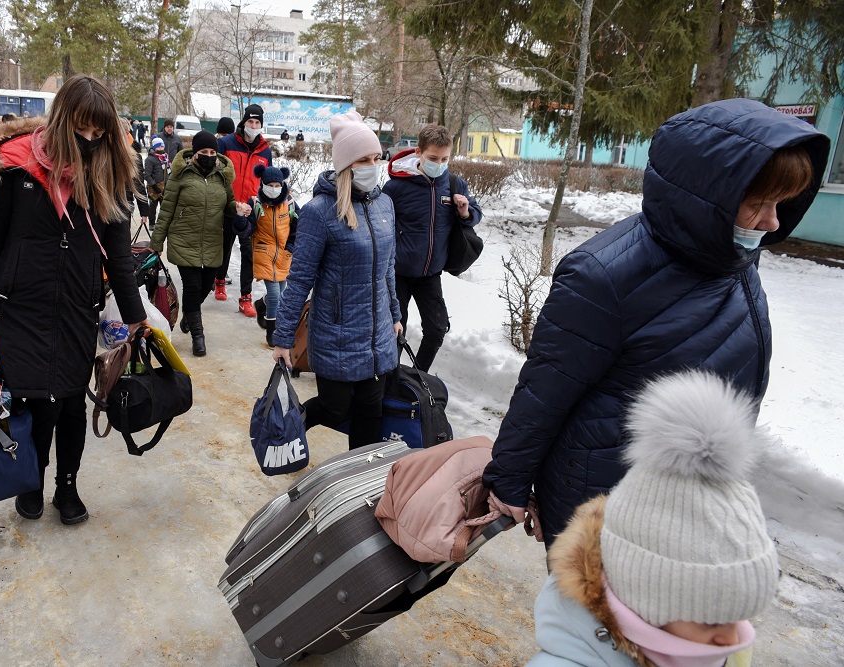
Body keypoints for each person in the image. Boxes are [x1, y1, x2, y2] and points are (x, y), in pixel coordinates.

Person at [482, 98, 830, 546]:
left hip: (686, 496)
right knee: (589, 616)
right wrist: (509, 481)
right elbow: (544, 393)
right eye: (759, 203)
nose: (772, 221)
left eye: (781, 202)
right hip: (606, 503)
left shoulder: (732, 257)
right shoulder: (602, 276)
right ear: (705, 197)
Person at [0, 75, 150, 526]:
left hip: (75, 306)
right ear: (63, 121)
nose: (89, 141)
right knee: (32, 402)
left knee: (68, 403)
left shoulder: (111, 172)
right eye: (81, 131)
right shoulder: (13, 167)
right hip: (18, 306)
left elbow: (120, 256)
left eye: (98, 133)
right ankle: (30, 479)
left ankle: (67, 485)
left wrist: (135, 317)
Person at [526, 370, 779, 667]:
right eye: (710, 622)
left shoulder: (720, 646)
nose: (733, 639)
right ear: (645, 598)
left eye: (740, 617)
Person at [272, 111, 402, 450]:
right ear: (346, 164)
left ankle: (360, 479)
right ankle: (289, 431)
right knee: (334, 407)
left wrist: (396, 315)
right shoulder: (320, 211)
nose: (373, 165)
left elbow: (388, 267)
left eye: (376, 158)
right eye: (364, 159)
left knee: (370, 411)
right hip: (336, 333)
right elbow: (299, 280)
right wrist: (283, 338)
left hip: (377, 334)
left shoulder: (385, 205)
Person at [383, 123, 482, 371]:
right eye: (433, 158)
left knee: (437, 331)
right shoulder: (396, 186)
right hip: (399, 273)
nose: (439, 163)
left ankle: (418, 377)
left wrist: (465, 210)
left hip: (431, 274)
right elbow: (382, 222)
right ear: (418, 152)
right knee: (395, 330)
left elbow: (476, 214)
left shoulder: (454, 184)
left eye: (445, 158)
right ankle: (389, 380)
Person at [151, 131, 248, 356]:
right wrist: (157, 242)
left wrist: (238, 208)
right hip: (184, 239)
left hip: (213, 241)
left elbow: (229, 203)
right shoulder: (180, 175)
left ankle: (189, 316)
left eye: (213, 152)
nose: (208, 156)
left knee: (205, 286)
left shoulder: (222, 176)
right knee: (193, 287)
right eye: (203, 152)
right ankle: (198, 336)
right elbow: (166, 210)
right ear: (195, 153)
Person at [233, 165, 298, 347]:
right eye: (270, 184)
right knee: (275, 294)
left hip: (284, 255)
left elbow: (296, 226)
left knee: (282, 294)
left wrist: (292, 245)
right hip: (264, 254)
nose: (274, 188)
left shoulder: (291, 203)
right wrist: (239, 217)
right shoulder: (256, 203)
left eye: (278, 184)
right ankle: (272, 332)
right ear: (263, 184)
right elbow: (247, 230)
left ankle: (262, 305)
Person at [217, 104, 272, 316]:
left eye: (258, 123)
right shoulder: (226, 143)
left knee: (249, 253)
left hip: (251, 209)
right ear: (244, 122)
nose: (254, 125)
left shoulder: (265, 150)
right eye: (251, 121)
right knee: (225, 247)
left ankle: (245, 297)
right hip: (229, 206)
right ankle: (220, 280)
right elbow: (217, 174)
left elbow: (268, 179)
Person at [144, 136, 169, 231]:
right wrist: (154, 185)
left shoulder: (165, 158)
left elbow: (168, 172)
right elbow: (147, 175)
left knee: (164, 207)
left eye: (162, 147)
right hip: (154, 188)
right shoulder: (150, 159)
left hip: (164, 187)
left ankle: (162, 224)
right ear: (154, 147)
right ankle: (151, 223)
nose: (161, 149)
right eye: (158, 147)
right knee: (153, 207)